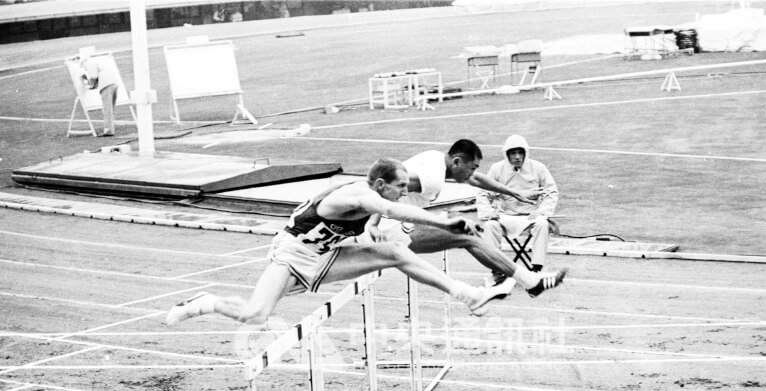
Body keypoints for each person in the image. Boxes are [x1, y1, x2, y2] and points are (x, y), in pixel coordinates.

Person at [166, 158, 512, 327]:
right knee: (255, 314)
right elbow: (391, 209)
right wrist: (444, 221)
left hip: (325, 256)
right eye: (402, 185)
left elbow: (386, 213)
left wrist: (376, 232)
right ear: (379, 184)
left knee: (394, 252)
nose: (406, 191)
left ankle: (466, 294)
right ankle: (205, 302)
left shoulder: (374, 195)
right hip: (291, 255)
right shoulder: (353, 196)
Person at [363, 139, 566, 298]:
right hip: (390, 229)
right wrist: (373, 224)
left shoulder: (439, 160)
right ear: (457, 162)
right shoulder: (432, 178)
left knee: (470, 234)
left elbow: (477, 179)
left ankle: (525, 280)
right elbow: (386, 188)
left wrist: (512, 192)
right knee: (467, 235)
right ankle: (528, 281)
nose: (473, 173)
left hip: (400, 221)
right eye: (472, 167)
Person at [477, 134, 558, 286]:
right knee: (489, 226)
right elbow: (483, 192)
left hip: (531, 216)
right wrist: (489, 213)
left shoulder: (538, 168)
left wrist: (542, 211)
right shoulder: (497, 169)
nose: (517, 157)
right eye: (513, 153)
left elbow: (551, 192)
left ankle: (536, 270)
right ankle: (497, 271)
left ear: (525, 153)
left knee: (543, 224)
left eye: (520, 152)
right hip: (505, 216)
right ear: (507, 154)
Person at [79, 51, 118, 137]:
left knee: (107, 109)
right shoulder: (98, 63)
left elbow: (94, 76)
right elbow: (97, 78)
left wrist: (89, 83)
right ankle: (111, 128)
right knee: (110, 108)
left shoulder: (88, 63)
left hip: (106, 85)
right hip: (113, 83)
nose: (85, 69)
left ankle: (108, 131)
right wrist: (91, 84)